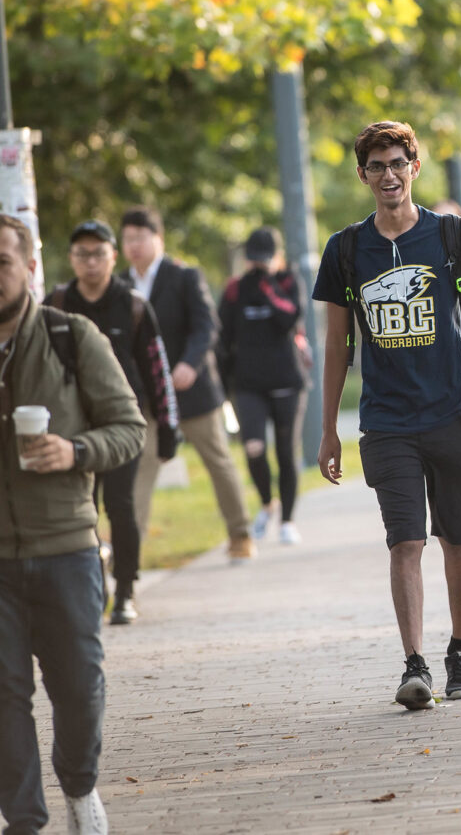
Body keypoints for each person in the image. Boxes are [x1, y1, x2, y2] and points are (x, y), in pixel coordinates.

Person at [312, 120, 461, 710]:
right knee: (404, 542)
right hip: (387, 422)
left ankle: (460, 648)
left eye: (398, 164)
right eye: (376, 166)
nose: (388, 175)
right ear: (362, 175)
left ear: (415, 168)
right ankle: (414, 664)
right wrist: (328, 430)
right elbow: (338, 346)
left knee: (456, 536)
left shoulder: (453, 236)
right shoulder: (346, 250)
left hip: (452, 416)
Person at [0, 214, 146, 835]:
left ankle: (80, 786)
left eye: (1, 261)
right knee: (3, 699)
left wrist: (75, 451)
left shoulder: (70, 336)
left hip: (67, 547)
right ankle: (24, 821)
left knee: (79, 690)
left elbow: (128, 428)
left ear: (30, 267)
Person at [45, 220, 179, 625]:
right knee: (82, 509)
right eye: (82, 253)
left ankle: (125, 590)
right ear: (72, 258)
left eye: (98, 253)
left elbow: (157, 368)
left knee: (121, 507)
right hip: (72, 426)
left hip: (122, 424)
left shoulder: (133, 304)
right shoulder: (57, 303)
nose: (90, 261)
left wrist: (169, 424)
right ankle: (92, 584)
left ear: (112, 257)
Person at [120, 206, 256, 561]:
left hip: (191, 389)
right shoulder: (120, 284)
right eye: (127, 239)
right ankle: (128, 555)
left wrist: (189, 365)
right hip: (145, 397)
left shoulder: (183, 276)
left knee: (218, 461)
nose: (133, 245)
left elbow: (206, 327)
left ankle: (240, 534)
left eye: (140, 237)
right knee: (141, 469)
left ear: (157, 238)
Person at [218, 227, 310, 545]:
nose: (258, 266)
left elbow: (291, 318)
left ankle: (287, 520)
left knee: (286, 452)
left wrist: (268, 289)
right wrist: (223, 383)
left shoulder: (287, 282)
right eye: (254, 261)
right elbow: (223, 336)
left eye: (264, 260)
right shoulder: (234, 289)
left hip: (286, 380)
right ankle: (267, 503)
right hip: (248, 384)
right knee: (254, 448)